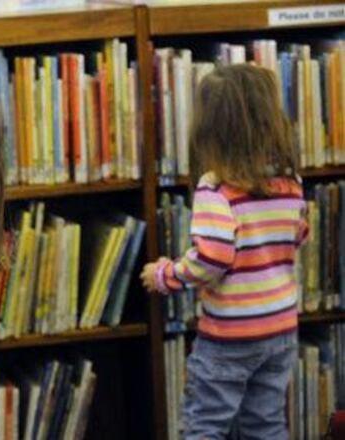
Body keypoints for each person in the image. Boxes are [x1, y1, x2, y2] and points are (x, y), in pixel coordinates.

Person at [140, 64, 308, 440]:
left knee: (205, 426)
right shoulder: (290, 183)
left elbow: (213, 258)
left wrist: (166, 275)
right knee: (265, 425)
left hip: (231, 335)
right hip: (280, 327)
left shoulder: (215, 191)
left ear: (209, 132)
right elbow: (299, 234)